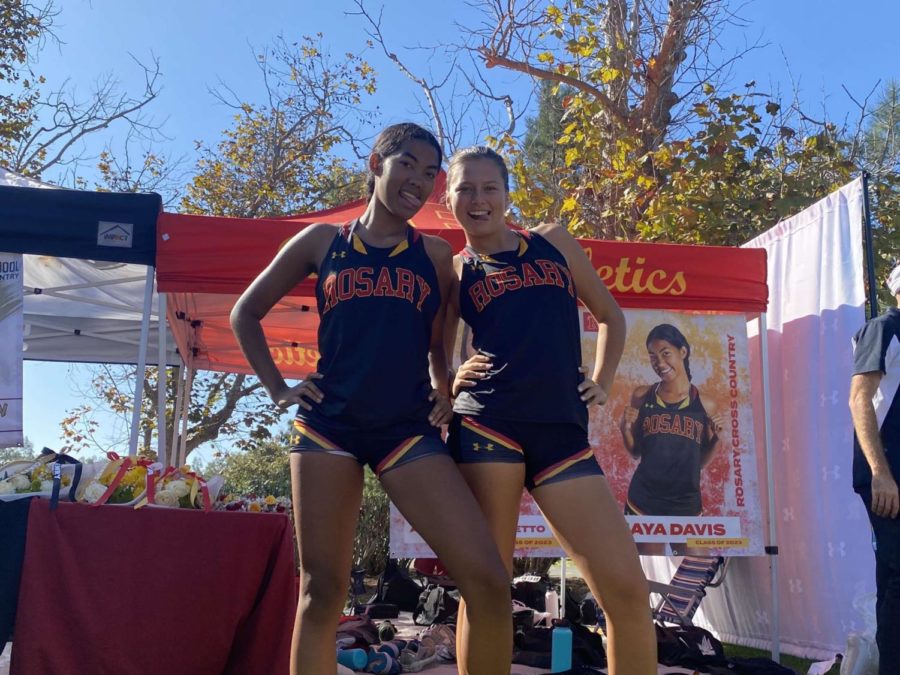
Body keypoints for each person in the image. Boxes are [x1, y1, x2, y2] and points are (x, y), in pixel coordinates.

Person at [231, 124, 512, 675]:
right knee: (322, 591)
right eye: (408, 164)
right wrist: (277, 388)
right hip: (325, 429)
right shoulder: (320, 241)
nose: (419, 181)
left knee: (487, 579)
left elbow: (440, 338)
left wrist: (445, 385)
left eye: (431, 174)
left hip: (404, 429)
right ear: (375, 163)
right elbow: (246, 312)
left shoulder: (434, 254)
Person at [445, 146, 656, 675]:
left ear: (507, 193)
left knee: (626, 591)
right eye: (465, 188)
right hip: (487, 426)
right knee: (488, 586)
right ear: (448, 198)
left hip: (562, 432)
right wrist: (447, 379)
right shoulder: (453, 270)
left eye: (489, 187)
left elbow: (610, 316)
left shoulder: (554, 242)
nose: (478, 199)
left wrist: (602, 383)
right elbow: (431, 347)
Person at [849, 261, 900, 674]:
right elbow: (859, 399)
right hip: (888, 477)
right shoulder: (883, 327)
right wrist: (880, 473)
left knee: (893, 577)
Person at [619, 324, 724, 521]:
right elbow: (635, 452)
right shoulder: (642, 395)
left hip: (686, 502)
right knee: (643, 553)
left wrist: (717, 440)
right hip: (644, 501)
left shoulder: (706, 403)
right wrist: (625, 429)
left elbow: (699, 463)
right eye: (653, 357)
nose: (659, 362)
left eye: (665, 353)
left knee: (691, 553)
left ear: (682, 351)